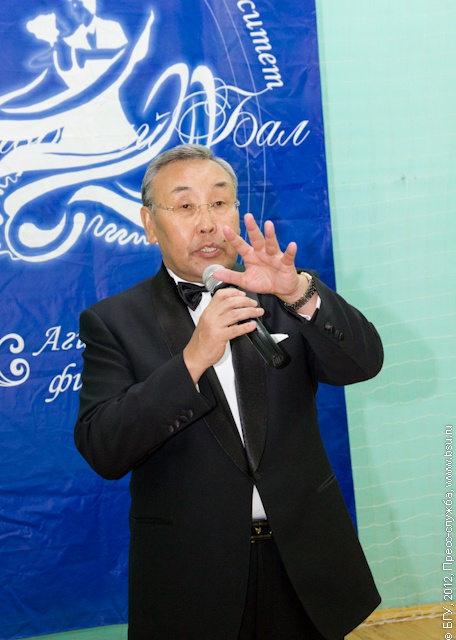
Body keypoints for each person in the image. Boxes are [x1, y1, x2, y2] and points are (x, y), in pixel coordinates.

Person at [74, 143, 383, 640]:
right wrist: (193, 359)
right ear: (150, 223)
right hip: (192, 578)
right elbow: (104, 448)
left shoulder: (283, 290)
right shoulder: (113, 322)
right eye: (185, 205)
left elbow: (363, 364)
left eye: (219, 202)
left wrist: (298, 293)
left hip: (305, 565)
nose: (206, 223)